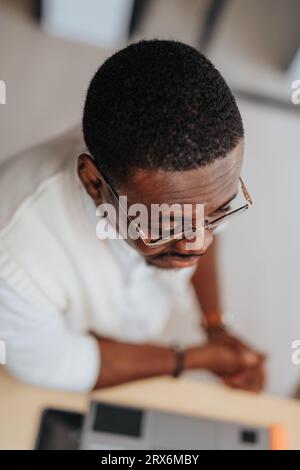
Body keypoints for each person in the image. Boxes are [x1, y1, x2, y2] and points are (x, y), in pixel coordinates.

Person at [0, 40, 265, 393]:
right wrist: (197, 358)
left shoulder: (199, 180)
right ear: (94, 183)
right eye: (168, 226)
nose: (198, 245)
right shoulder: (14, 262)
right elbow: (53, 364)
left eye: (217, 214)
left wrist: (214, 324)